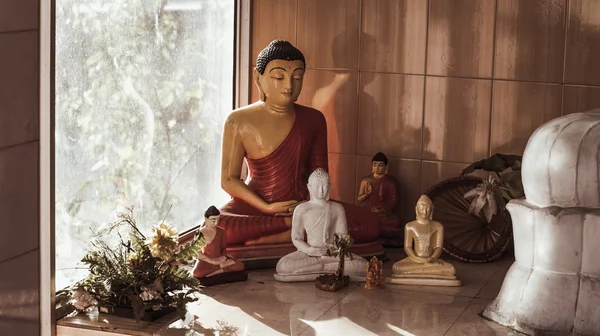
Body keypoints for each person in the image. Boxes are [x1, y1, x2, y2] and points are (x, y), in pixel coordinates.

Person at [216, 39, 380, 247]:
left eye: (297, 77)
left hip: (305, 206)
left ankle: (279, 235)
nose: (288, 85)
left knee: (371, 224)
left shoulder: (313, 119)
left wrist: (310, 206)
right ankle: (294, 231)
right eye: (278, 76)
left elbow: (320, 176)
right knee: (220, 226)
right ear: (259, 78)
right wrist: (267, 208)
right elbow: (229, 180)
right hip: (256, 207)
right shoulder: (238, 120)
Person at [274, 168, 367, 282]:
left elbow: (342, 238)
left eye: (324, 186)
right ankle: (328, 269)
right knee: (283, 265)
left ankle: (321, 269)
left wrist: (338, 250)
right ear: (309, 187)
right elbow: (296, 238)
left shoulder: (337, 208)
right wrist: (308, 250)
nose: (321, 190)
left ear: (329, 187)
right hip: (310, 255)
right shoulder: (302, 209)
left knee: (364, 266)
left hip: (331, 255)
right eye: (317, 186)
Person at [192, 206, 245, 279]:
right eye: (213, 220)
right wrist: (212, 261)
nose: (216, 223)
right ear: (206, 219)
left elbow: (223, 248)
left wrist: (223, 258)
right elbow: (197, 252)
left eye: (218, 220)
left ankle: (218, 271)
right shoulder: (200, 233)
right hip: (207, 260)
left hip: (219, 259)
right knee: (197, 273)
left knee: (240, 265)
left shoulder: (221, 232)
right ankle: (221, 268)